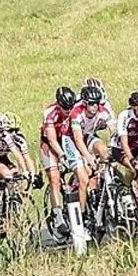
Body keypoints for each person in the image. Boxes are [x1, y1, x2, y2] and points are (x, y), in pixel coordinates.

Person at [39, 86, 80, 234]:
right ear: (58, 104)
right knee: (55, 179)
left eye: (70, 107)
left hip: (67, 140)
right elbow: (51, 140)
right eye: (65, 108)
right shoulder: (50, 113)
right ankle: (57, 215)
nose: (68, 110)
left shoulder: (75, 109)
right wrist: (62, 156)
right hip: (50, 144)